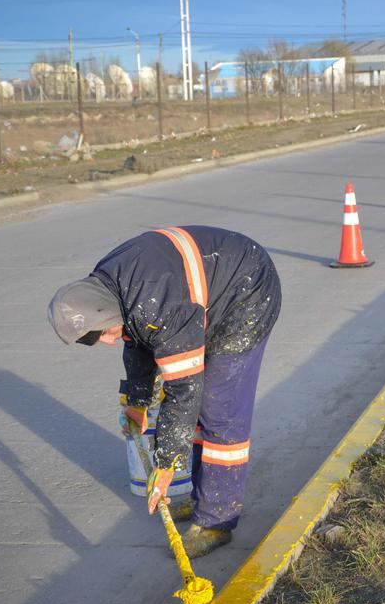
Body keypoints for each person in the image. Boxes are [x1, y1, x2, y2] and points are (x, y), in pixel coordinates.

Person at [48, 226, 281, 558]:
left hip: (246, 293)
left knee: (219, 408)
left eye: (102, 334)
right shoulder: (108, 289)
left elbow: (184, 388)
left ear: (104, 312)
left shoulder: (155, 304)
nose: (108, 340)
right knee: (202, 407)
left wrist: (167, 465)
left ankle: (217, 519)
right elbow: (138, 341)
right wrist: (137, 403)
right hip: (202, 298)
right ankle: (206, 494)